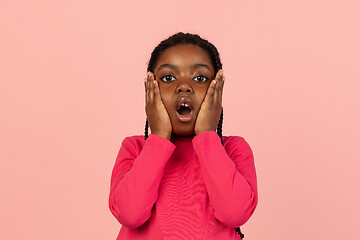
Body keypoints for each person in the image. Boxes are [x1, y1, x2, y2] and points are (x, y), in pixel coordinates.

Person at [108, 32, 258, 240]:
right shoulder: (135, 148)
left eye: (200, 78)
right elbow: (130, 214)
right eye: (169, 78)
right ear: (151, 89)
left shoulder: (233, 149)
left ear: (217, 88)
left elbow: (235, 214)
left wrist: (207, 135)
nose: (184, 87)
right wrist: (158, 137)